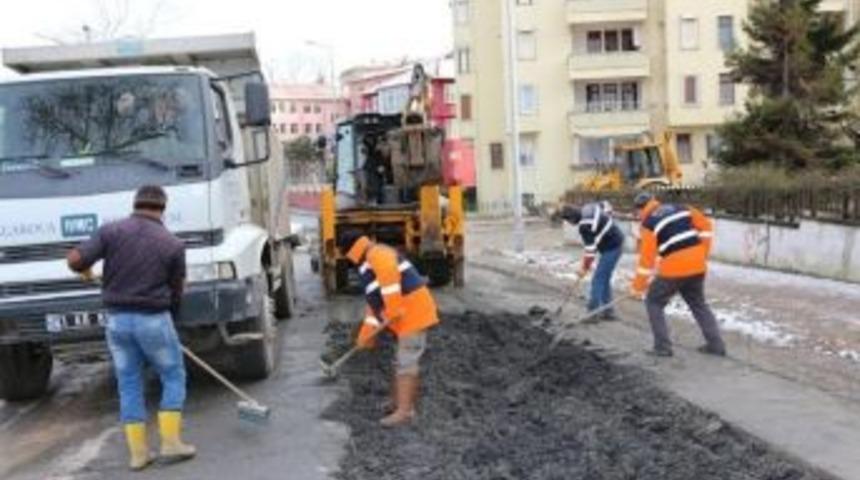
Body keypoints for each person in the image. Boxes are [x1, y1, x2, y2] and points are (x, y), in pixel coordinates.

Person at [66, 185, 195, 471]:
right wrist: (172, 319)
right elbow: (177, 291)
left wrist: (84, 270)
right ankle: (171, 443)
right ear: (163, 208)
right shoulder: (172, 244)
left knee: (128, 383)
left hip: (117, 322)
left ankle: (138, 454)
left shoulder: (111, 231)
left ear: (135, 204)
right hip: (154, 320)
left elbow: (75, 260)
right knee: (173, 374)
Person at [339, 233, 439, 427]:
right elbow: (373, 307)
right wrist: (365, 337)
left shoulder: (378, 254)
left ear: (352, 251)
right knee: (399, 362)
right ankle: (397, 403)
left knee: (406, 362)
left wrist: (392, 309)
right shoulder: (368, 264)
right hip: (405, 317)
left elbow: (390, 281)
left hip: (414, 315)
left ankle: (405, 412)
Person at [630, 192, 726, 358]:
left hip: (674, 270)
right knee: (698, 304)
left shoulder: (648, 223)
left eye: (637, 212)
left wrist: (638, 287)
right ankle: (716, 345)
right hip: (697, 265)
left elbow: (647, 259)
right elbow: (706, 226)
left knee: (653, 301)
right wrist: (702, 252)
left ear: (641, 209)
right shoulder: (681, 207)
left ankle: (662, 347)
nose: (638, 216)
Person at [560, 201, 625, 322]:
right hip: (614, 242)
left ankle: (592, 314)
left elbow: (590, 251)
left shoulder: (584, 225)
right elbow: (605, 205)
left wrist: (584, 268)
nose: (570, 224)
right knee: (604, 278)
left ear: (572, 218)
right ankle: (608, 312)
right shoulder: (588, 207)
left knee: (598, 279)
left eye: (568, 221)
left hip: (612, 247)